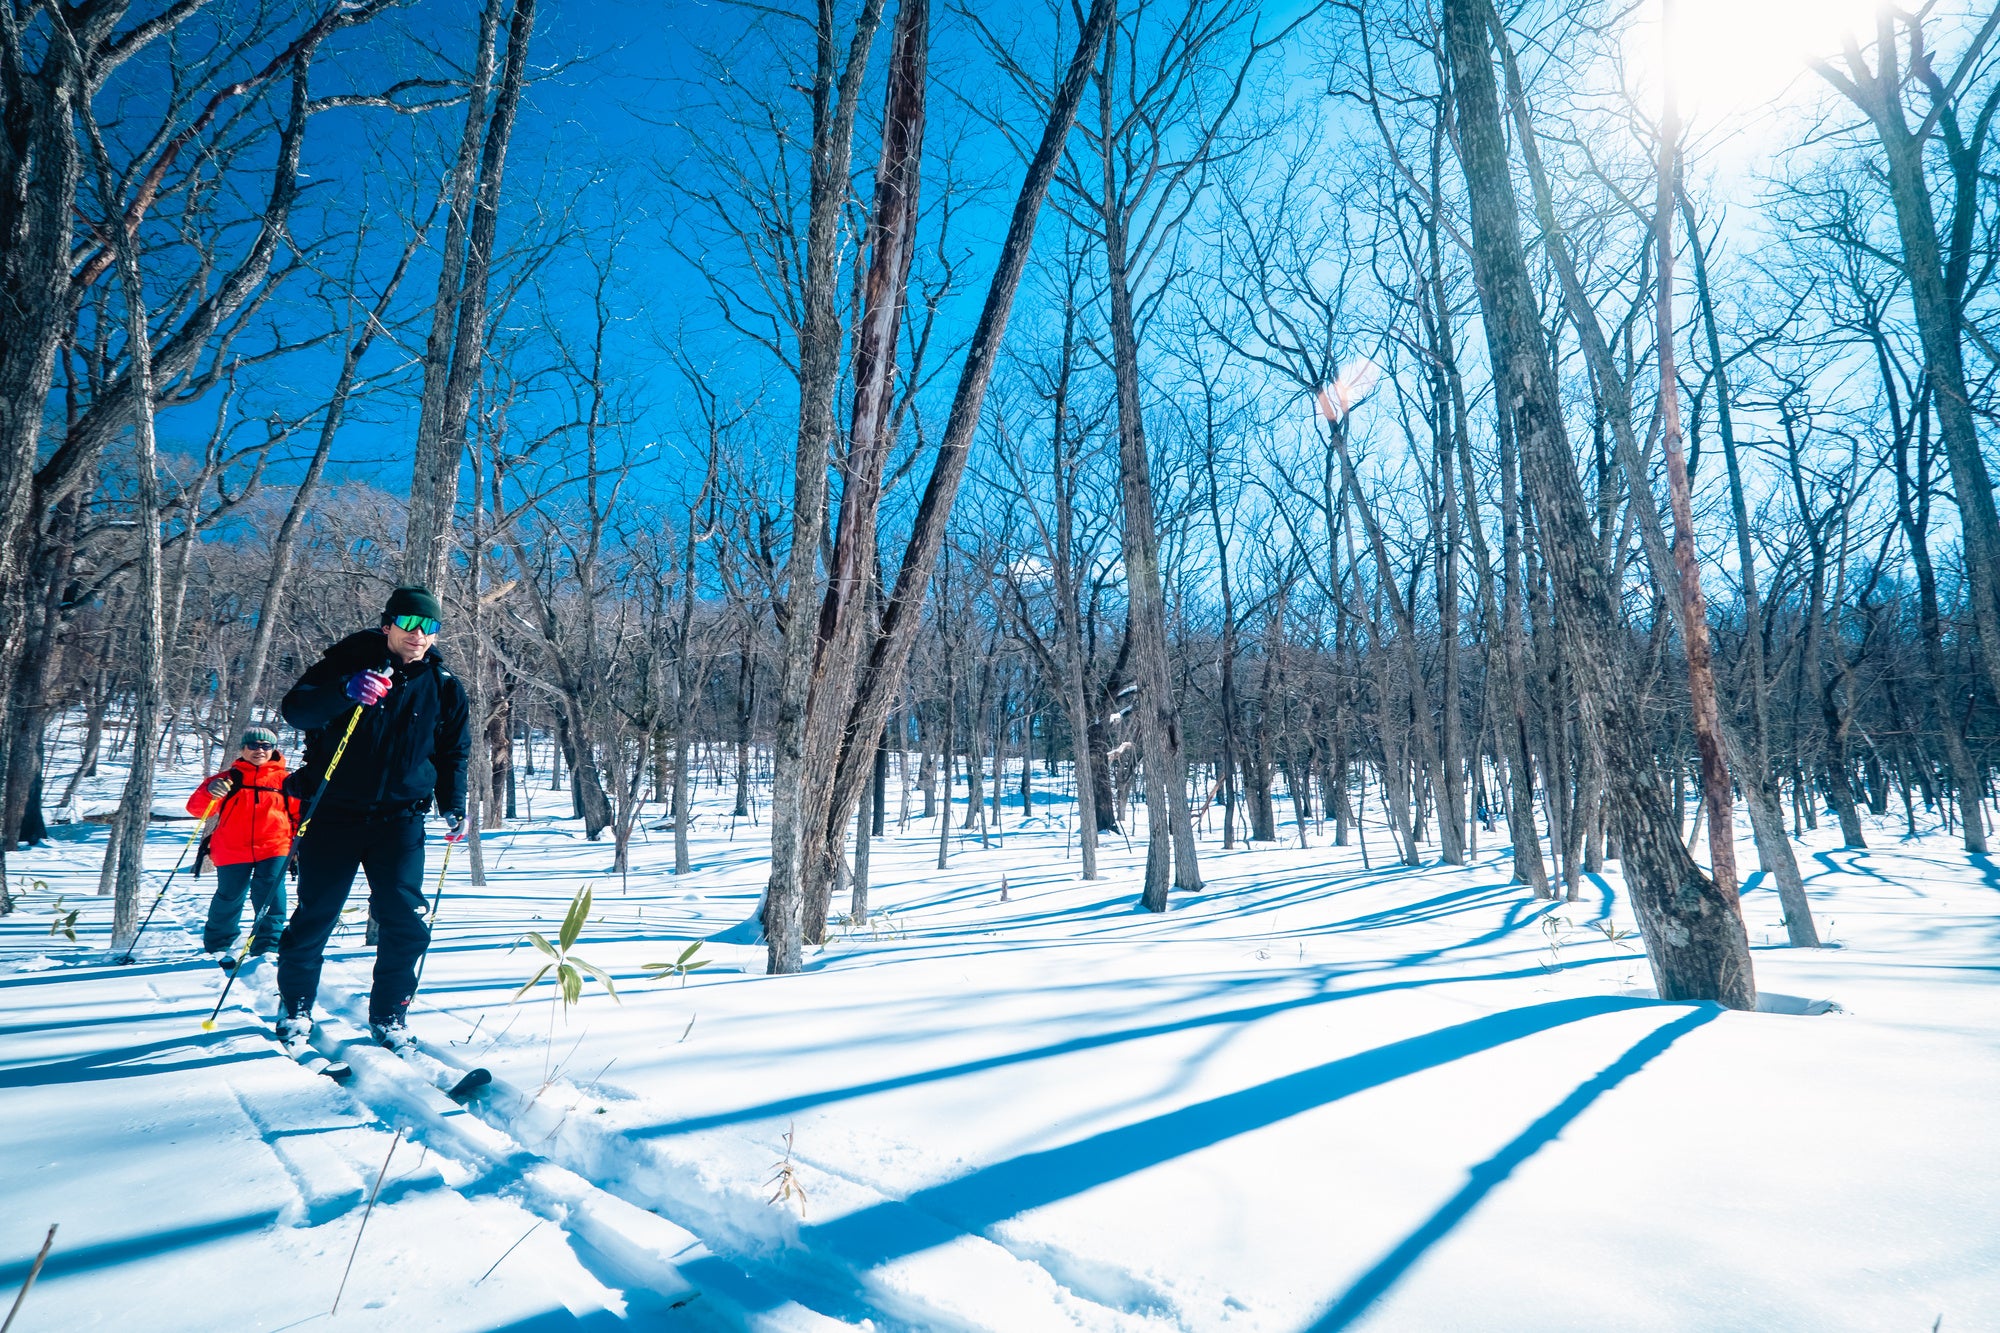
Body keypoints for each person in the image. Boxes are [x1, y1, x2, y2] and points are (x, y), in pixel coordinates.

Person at [274, 585, 470, 1051]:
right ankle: (296, 1006)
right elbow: (296, 709)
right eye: (410, 624)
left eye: (430, 627)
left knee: (406, 921)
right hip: (335, 814)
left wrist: (454, 803)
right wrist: (343, 691)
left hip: (401, 820)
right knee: (317, 914)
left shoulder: (444, 685)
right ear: (388, 626)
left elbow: (453, 752)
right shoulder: (347, 663)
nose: (419, 635)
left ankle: (390, 1016)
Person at [188, 726, 299, 960]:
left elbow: (299, 814)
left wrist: (300, 846)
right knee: (230, 895)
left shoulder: (287, 780)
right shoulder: (227, 779)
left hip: (275, 846)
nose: (260, 750)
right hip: (232, 848)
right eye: (254, 745)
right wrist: (210, 792)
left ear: (273, 750)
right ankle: (217, 945)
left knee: (270, 893)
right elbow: (197, 810)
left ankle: (268, 946)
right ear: (243, 749)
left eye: (266, 746)